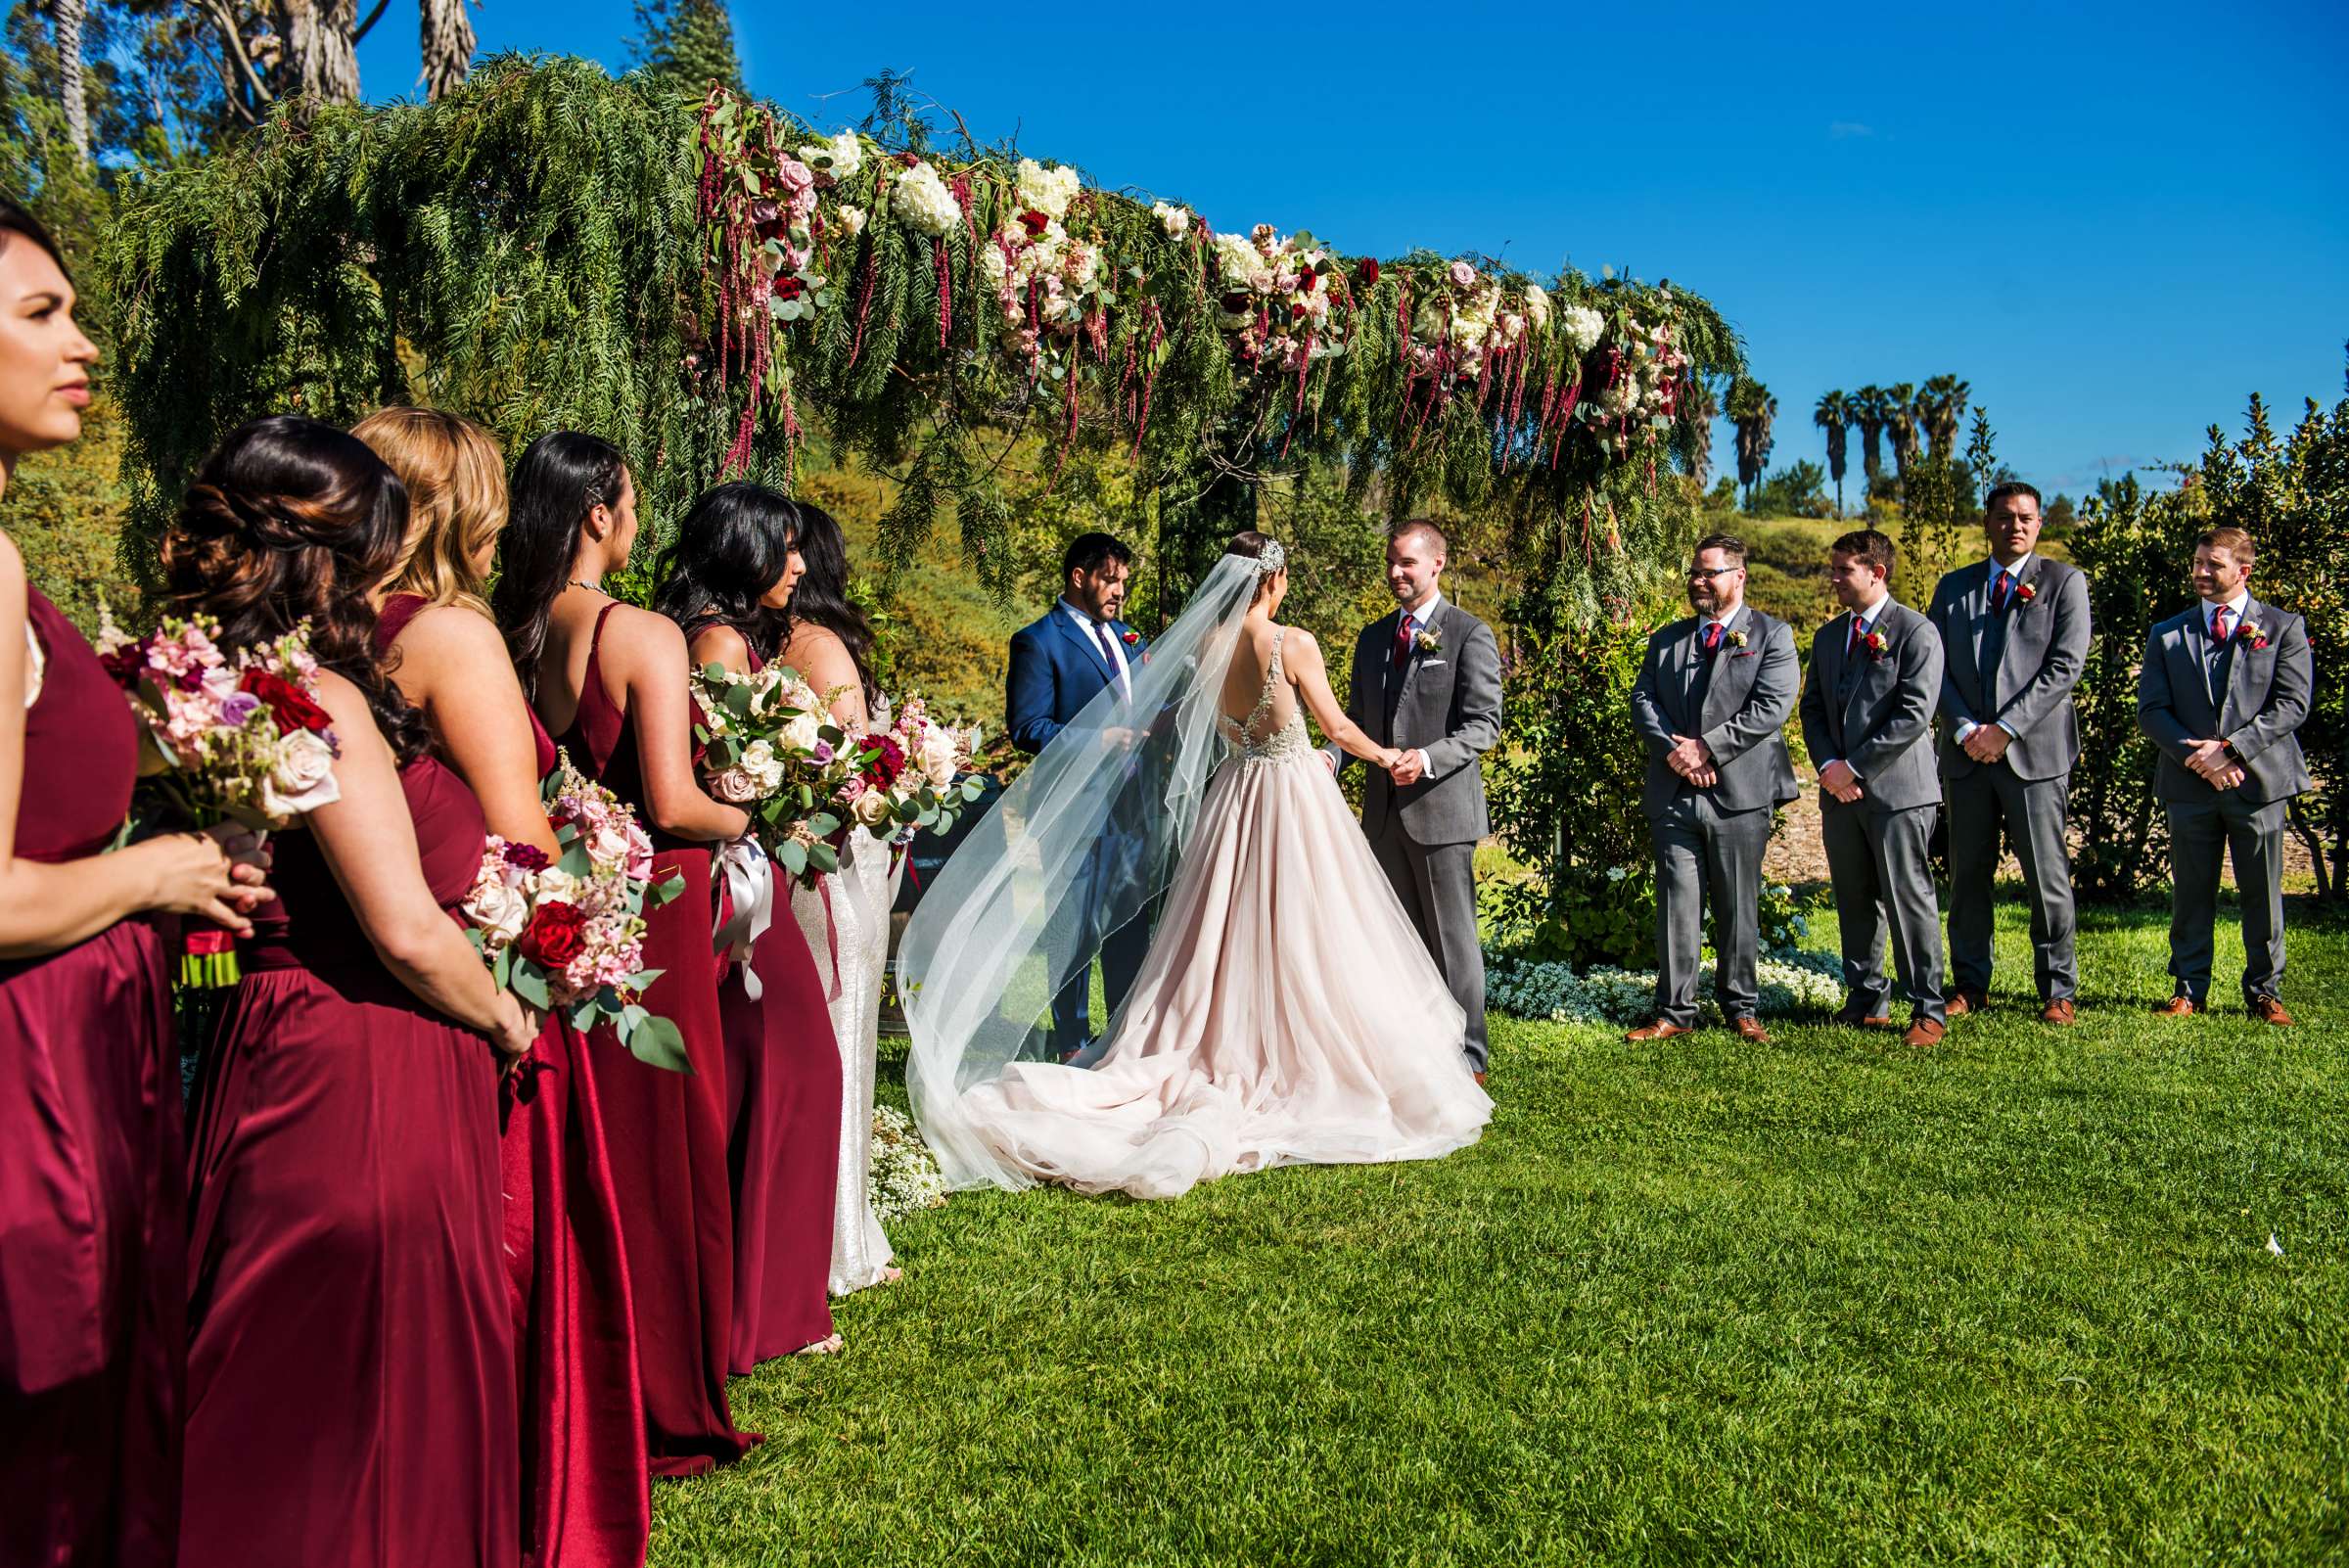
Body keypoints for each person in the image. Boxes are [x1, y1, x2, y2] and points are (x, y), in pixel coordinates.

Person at [169, 416, 535, 1568]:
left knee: (271, 1360)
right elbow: (407, 930)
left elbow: (214, 914)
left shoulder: (211, 681)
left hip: (260, 1034)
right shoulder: (319, 694)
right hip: (369, 1056)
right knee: (378, 1370)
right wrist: (506, 1017)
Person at [900, 531, 1492, 1201]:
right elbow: (1338, 729)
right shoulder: (1291, 643)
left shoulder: (1205, 651)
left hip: (1234, 799)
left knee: (1224, 931)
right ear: (1273, 580)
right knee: (1311, 928)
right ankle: (1299, 1053)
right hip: (1291, 796)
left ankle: (1221, 1036)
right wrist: (1387, 758)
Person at [0, 198, 265, 1568]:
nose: (85, 343)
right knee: (47, 1444)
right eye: (41, 314)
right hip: (27, 1071)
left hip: (75, 1048)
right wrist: (160, 867)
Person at [353, 405, 649, 1564]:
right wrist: (595, 897)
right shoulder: (447, 635)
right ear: (458, 507)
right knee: (509, 1245)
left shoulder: (325, 629)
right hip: (492, 981)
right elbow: (519, 847)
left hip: (377, 986)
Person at [493, 431, 760, 1475]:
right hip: (657, 903)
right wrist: (769, 812)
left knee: (600, 1145)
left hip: (579, 910)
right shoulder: (639, 631)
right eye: (633, 499)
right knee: (675, 1142)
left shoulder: (521, 627)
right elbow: (678, 800)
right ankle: (666, 1395)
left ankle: (587, 1371)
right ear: (599, 511)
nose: (642, 516)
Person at [654, 482, 847, 1360]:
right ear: (744, 549)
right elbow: (725, 773)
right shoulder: (720, 642)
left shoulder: (709, 634)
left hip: (744, 871)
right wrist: (797, 795)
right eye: (786, 546)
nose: (801, 565)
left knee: (769, 1079)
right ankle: (764, 1312)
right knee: (796, 1073)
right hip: (740, 884)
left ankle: (759, 1300)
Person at [774, 501, 902, 1296]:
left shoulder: (765, 643)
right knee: (845, 1031)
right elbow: (860, 774)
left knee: (805, 1047)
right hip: (841, 867)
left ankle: (800, 1229)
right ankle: (841, 1241)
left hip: (786, 865)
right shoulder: (824, 649)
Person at [1323, 520, 1502, 1084]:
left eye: (1407, 563)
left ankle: (1469, 1058)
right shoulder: (1374, 637)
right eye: (1391, 562)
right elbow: (1354, 720)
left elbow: (1484, 725)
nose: (1396, 573)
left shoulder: (1469, 634)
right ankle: (1413, 1049)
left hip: (1442, 811)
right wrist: (1332, 757)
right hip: (1379, 818)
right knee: (1396, 941)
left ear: (1437, 564)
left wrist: (1425, 760)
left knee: (1452, 940)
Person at [1625, 533, 1800, 1043]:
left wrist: (1707, 749)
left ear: (1738, 575)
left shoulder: (1772, 636)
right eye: (1695, 573)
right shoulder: (1668, 640)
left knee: (1738, 904)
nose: (1699, 582)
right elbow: (1644, 700)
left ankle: (1741, 1008)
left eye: (1711, 573)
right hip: (1674, 792)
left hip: (1740, 792)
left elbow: (1771, 708)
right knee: (1677, 904)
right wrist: (1676, 754)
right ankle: (1674, 1012)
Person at [1927, 482, 2091, 1024]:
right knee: (1967, 876)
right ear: (1987, 521)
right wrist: (1967, 728)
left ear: (2039, 524)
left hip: (2035, 755)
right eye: (2004, 516)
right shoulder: (1953, 589)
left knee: (2046, 877)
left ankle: (2058, 989)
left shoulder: (2065, 583)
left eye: (2026, 517)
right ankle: (1971, 984)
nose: (2015, 525)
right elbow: (1936, 669)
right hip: (1966, 755)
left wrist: (2007, 729)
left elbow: (2064, 667)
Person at [2137, 527, 2312, 1024]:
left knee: (2262, 889)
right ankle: (2189, 988)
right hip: (2189, 783)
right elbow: (2151, 710)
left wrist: (2231, 750)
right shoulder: (2167, 633)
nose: (2200, 572)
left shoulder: (2282, 628)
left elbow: (2292, 704)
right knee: (2191, 891)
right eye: (2197, 562)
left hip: (2259, 784)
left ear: (2243, 570)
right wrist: (2198, 757)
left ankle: (2264, 991)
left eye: (2212, 564)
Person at [1798, 528, 1949, 1047]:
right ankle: (1866, 999)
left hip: (1898, 791)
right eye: (1834, 569)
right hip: (1838, 792)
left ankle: (1928, 1009)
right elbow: (1812, 708)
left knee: (1908, 898)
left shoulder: (1915, 632)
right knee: (1854, 897)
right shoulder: (1827, 637)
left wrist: (1854, 768)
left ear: (1876, 572)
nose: (1834, 578)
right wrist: (1828, 766)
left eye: (1844, 570)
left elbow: (1914, 713)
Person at [1004, 530, 1150, 1060]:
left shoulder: (1130, 639)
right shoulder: (1038, 641)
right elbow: (1027, 727)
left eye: (1124, 583)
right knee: (1069, 931)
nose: (1119, 592)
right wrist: (1097, 740)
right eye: (1110, 580)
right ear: (1079, 577)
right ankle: (1071, 1043)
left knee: (1130, 926)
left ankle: (1125, 1038)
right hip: (1073, 809)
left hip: (1133, 811)